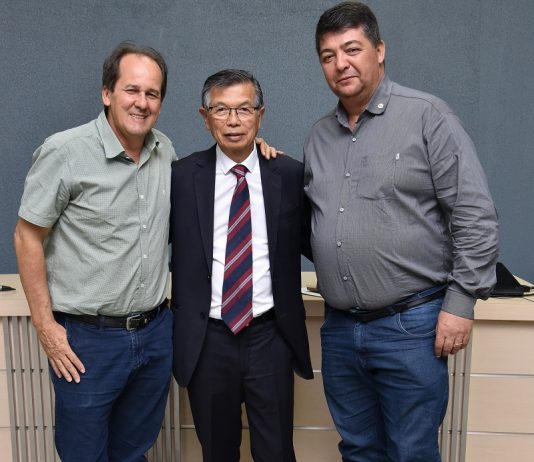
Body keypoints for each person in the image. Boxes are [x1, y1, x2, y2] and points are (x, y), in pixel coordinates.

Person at [303, 2, 499, 461]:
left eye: (352, 49)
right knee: (358, 450)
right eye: (329, 55)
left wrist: (461, 302)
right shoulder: (319, 137)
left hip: (411, 327)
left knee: (411, 451)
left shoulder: (428, 116)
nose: (340, 63)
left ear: (380, 50)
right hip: (340, 329)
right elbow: (320, 221)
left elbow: (475, 214)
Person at [13, 41, 176, 461]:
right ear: (107, 93)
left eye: (152, 93)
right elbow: (27, 237)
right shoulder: (65, 151)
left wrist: (254, 151)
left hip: (155, 334)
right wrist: (46, 328)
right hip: (88, 341)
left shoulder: (165, 152)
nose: (142, 102)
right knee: (84, 454)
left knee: (134, 452)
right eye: (131, 90)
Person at [170, 69, 313, 462]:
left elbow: (317, 242)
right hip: (208, 339)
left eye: (244, 109)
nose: (233, 121)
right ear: (205, 117)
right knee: (217, 451)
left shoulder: (288, 174)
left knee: (276, 451)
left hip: (270, 336)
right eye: (222, 110)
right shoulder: (181, 177)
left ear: (260, 116)